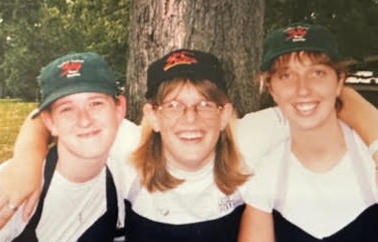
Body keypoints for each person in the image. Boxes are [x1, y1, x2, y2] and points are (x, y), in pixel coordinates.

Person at [0, 47, 377, 237]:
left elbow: (330, 100)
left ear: (227, 112)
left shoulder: (249, 139)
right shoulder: (128, 150)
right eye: (174, 105)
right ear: (151, 115)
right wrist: (26, 160)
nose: (190, 119)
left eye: (205, 104)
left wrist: (376, 138)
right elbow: (60, 117)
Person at [238, 23, 378, 242]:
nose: (303, 89)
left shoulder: (371, 162)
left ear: (340, 82)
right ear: (271, 89)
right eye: (286, 76)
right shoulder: (267, 175)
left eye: (317, 73)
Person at [0, 52, 127, 241]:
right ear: (49, 122)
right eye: (67, 109)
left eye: (96, 104)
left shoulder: (127, 163)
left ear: (120, 109)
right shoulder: (17, 188)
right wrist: (26, 160)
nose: (84, 120)